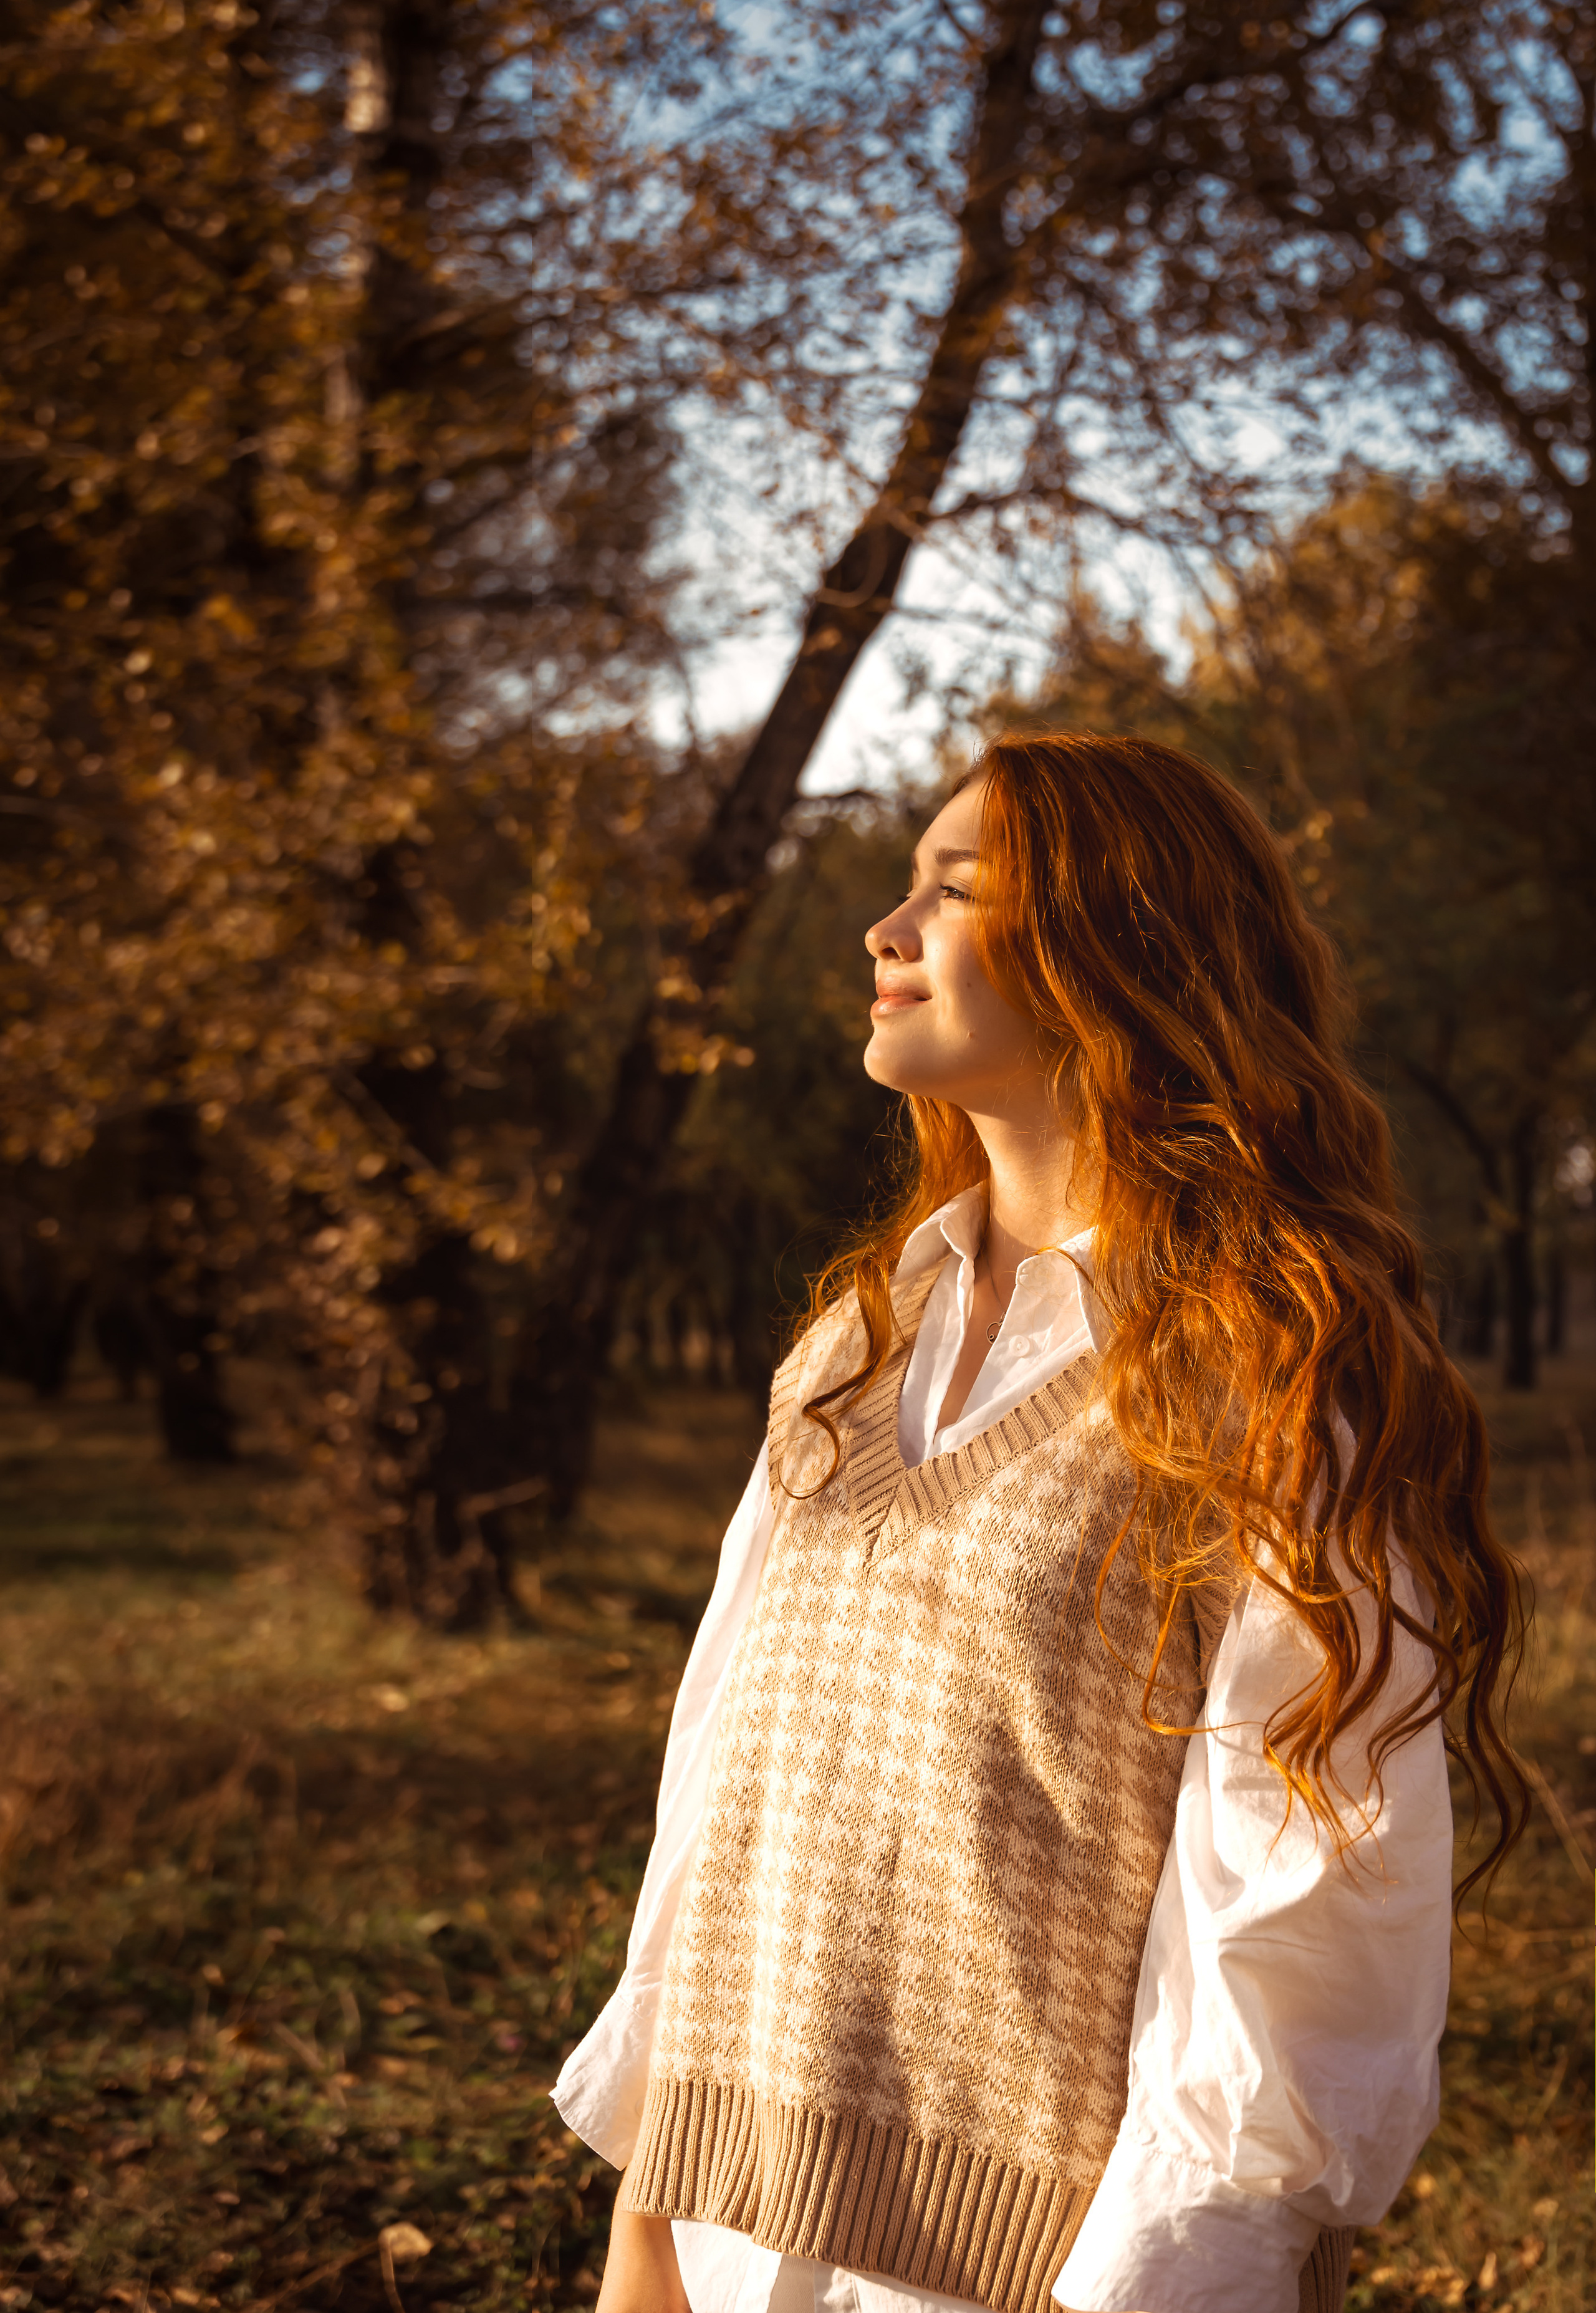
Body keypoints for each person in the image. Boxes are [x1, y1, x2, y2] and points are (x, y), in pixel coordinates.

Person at [555, 734, 1526, 2313]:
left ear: (1116, 948)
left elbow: (1298, 1909)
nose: (883, 928)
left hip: (1035, 2270)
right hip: (735, 2230)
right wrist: (648, 2217)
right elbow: (722, 1791)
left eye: (953, 890)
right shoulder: (849, 1349)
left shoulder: (1261, 1380)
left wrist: (1163, 2272)